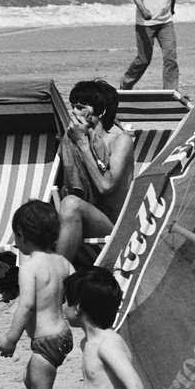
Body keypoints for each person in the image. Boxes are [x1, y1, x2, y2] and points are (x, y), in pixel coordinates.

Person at [36, 267, 149, 389]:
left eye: (66, 301)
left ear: (77, 308)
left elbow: (135, 386)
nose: (63, 307)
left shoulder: (107, 344)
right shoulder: (88, 343)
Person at [0, 202, 75, 389]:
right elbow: (74, 290)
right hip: (62, 334)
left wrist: (11, 338)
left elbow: (26, 305)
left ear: (22, 235)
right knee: (30, 379)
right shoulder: (62, 262)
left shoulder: (29, 266)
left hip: (45, 341)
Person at [56, 80, 135, 264]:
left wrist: (83, 144)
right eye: (73, 106)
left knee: (70, 204)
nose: (73, 112)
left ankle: (57, 275)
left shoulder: (120, 141)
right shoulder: (73, 140)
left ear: (101, 112)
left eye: (80, 107)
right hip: (83, 217)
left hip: (114, 225)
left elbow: (106, 186)